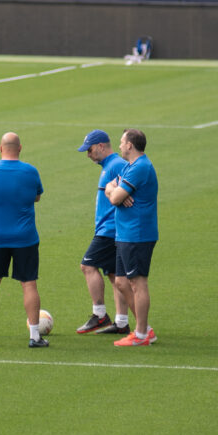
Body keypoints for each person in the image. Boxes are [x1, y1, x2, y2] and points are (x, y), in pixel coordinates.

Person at [0, 132, 47, 348]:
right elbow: (36, 197)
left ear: (0, 148)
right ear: (20, 148)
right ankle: (34, 336)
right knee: (29, 284)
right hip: (24, 237)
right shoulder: (30, 171)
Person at [75, 129, 137, 335]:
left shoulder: (117, 164)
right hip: (109, 228)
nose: (88, 155)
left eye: (90, 150)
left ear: (101, 146)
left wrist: (125, 195)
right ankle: (121, 322)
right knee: (114, 276)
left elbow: (131, 184)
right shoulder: (109, 166)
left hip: (109, 229)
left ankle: (100, 315)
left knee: (87, 265)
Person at [105, 129, 159, 346]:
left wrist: (116, 193)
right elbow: (110, 188)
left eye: (121, 142)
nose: (119, 146)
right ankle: (143, 329)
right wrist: (114, 191)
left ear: (130, 145)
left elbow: (115, 196)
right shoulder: (130, 166)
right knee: (120, 281)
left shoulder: (141, 167)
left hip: (137, 233)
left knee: (137, 283)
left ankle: (142, 334)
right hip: (125, 233)